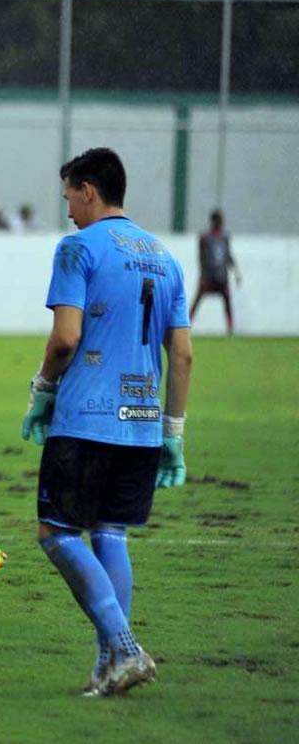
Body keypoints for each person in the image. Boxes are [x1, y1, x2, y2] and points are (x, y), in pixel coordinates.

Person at [20, 147, 192, 696]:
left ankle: (125, 646)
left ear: (88, 189)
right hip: (142, 421)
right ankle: (108, 668)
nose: (68, 206)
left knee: (57, 532)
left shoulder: (78, 249)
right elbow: (182, 355)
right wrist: (173, 432)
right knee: (110, 532)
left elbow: (66, 337)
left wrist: (42, 391)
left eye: (69, 194)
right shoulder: (165, 257)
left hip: (88, 418)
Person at [189, 209, 240, 335]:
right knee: (197, 300)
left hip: (221, 277)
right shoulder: (205, 238)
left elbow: (228, 255)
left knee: (227, 301)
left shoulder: (225, 237)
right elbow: (201, 258)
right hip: (209, 277)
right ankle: (186, 325)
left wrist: (236, 272)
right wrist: (202, 275)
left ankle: (230, 328)